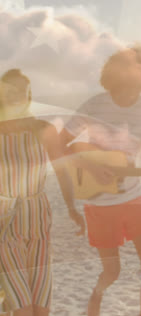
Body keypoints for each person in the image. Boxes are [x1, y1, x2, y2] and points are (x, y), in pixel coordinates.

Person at [61, 45, 141, 316]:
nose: (133, 90)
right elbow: (61, 144)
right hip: (99, 202)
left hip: (134, 196)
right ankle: (96, 298)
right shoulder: (94, 105)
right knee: (112, 272)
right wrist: (90, 166)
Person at [0, 69, 87, 316]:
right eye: (9, 90)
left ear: (29, 95)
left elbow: (62, 172)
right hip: (4, 224)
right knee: (23, 308)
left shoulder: (44, 129)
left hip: (38, 220)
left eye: (21, 90)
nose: (16, 95)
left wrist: (72, 208)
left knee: (41, 308)